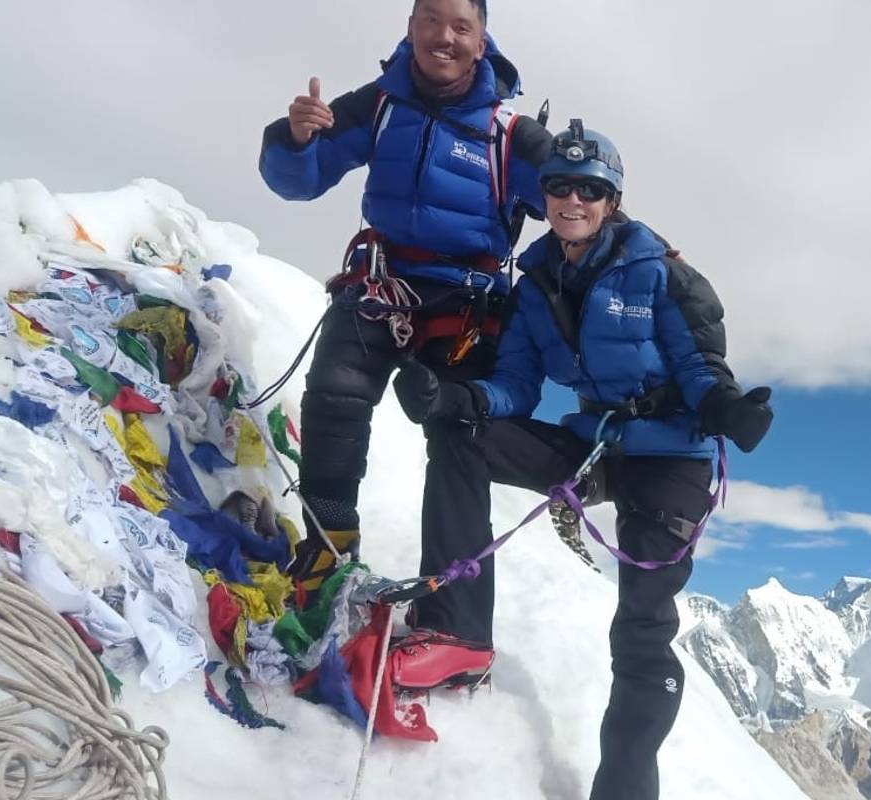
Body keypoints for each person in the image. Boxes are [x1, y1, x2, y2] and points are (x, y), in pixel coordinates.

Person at [392, 119, 774, 799]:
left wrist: (726, 408)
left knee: (641, 631)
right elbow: (516, 382)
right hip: (598, 444)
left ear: (612, 199)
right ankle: (457, 630)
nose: (574, 200)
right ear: (547, 194)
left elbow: (697, 364)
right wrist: (458, 400)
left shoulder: (662, 272)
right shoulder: (535, 283)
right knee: (459, 442)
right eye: (561, 186)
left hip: (671, 460)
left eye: (590, 189)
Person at [256, 0, 552, 613]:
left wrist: (638, 251)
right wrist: (296, 139)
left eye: (461, 26)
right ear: (411, 25)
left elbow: (582, 204)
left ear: (482, 38)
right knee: (335, 397)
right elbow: (300, 181)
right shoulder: (379, 104)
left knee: (460, 434)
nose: (444, 37)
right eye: (430, 20)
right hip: (383, 278)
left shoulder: (511, 134)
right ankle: (327, 546)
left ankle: (450, 615)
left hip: (466, 300)